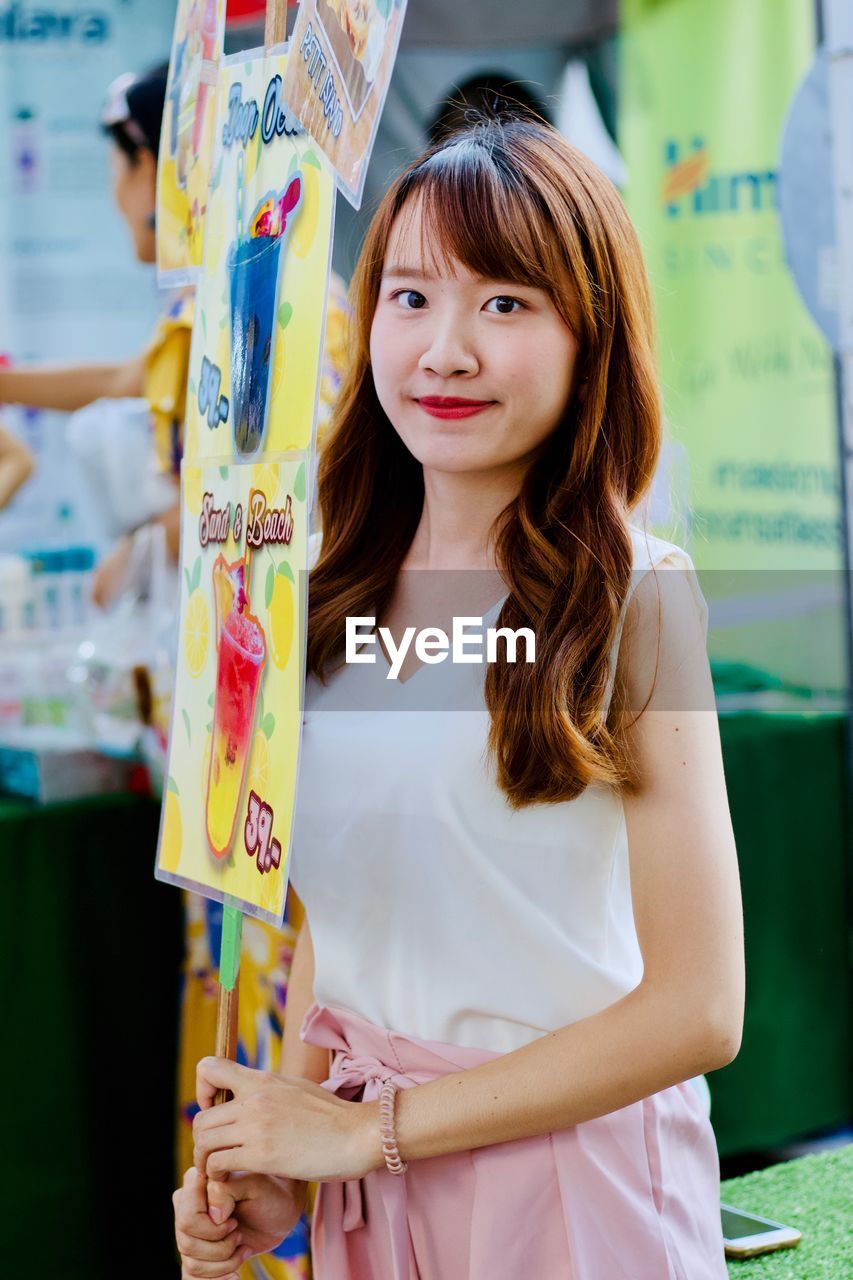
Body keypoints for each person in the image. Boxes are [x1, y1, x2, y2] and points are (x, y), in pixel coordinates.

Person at [173, 119, 744, 1279]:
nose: (443, 351)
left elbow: (699, 1007)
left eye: (504, 304)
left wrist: (364, 1132)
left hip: (572, 1192)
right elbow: (339, 926)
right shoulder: (313, 601)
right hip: (374, 1206)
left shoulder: (636, 600)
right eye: (411, 295)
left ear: (591, 336)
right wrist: (289, 1161)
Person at [0, 64, 191, 607]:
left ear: (148, 167)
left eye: (114, 167)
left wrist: (146, 549)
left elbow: (275, 473)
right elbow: (129, 377)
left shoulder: (230, 298)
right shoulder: (209, 295)